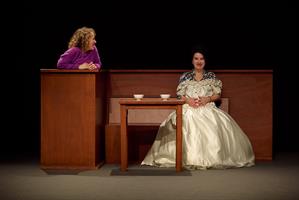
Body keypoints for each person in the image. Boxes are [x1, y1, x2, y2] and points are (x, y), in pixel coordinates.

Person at [141, 48, 255, 170]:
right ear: (192, 60)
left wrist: (208, 99)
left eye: (202, 58)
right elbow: (180, 95)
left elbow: (217, 94)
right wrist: (187, 100)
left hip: (207, 107)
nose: (199, 61)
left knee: (213, 124)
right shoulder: (185, 77)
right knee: (182, 122)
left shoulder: (211, 76)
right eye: (196, 58)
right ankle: (184, 158)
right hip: (188, 108)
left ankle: (211, 158)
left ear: (205, 61)